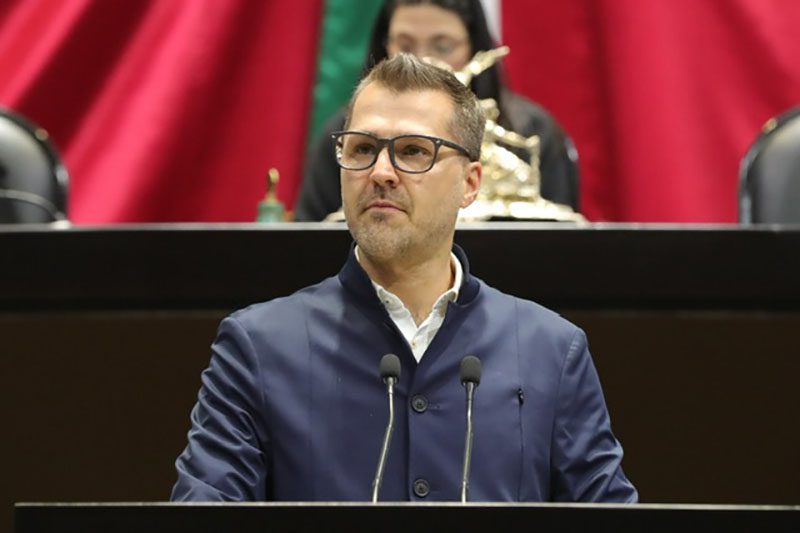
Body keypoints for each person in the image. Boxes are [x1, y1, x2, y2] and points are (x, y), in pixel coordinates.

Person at [171, 54, 636, 502]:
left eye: (413, 151)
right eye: (362, 149)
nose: (381, 173)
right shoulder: (258, 347)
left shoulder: (550, 351)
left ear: (471, 183)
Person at [293, 0, 579, 221]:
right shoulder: (349, 133)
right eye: (405, 45)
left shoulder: (530, 132)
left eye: (442, 47)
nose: (423, 61)